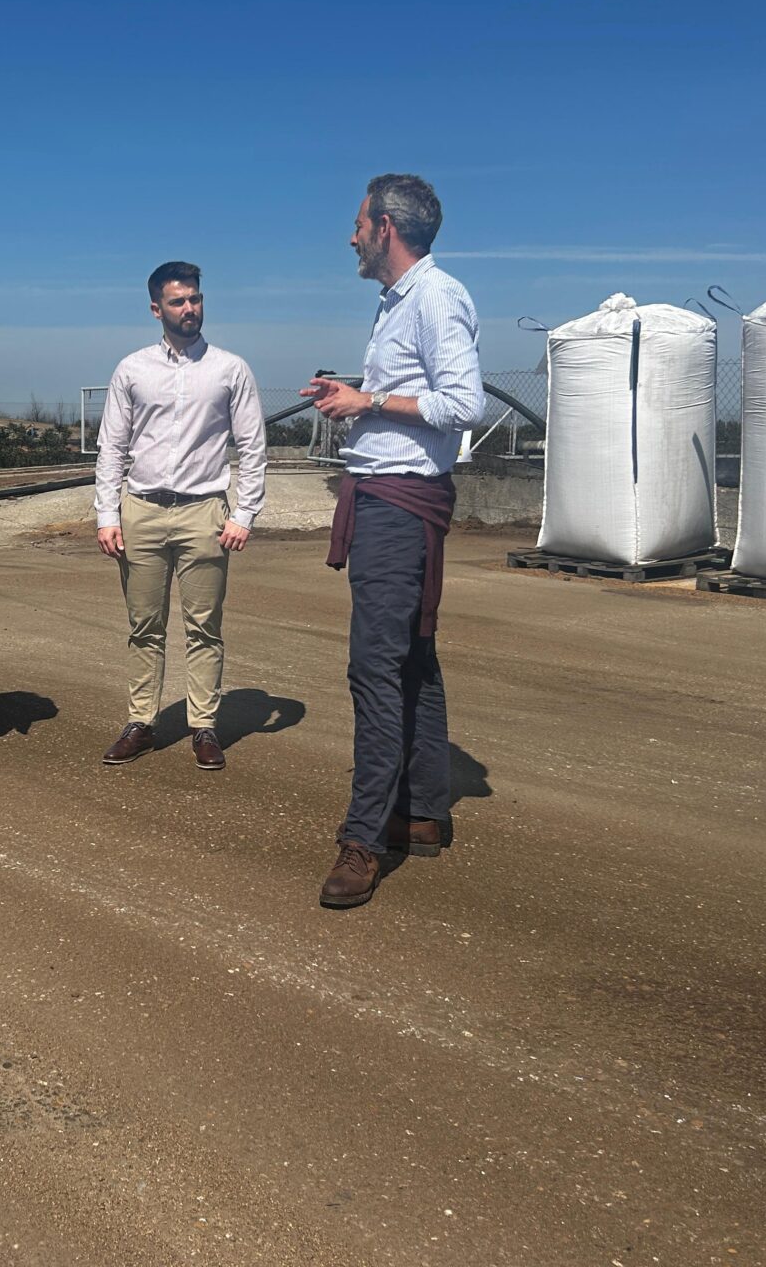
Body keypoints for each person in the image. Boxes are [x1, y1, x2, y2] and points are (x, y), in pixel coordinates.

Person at [304, 174, 483, 909]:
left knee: (373, 668)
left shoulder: (436, 297)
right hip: (392, 498)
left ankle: (363, 839)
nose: (350, 236)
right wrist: (355, 401)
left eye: (357, 224)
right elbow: (419, 399)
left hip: (397, 507)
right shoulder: (402, 302)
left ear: (385, 227)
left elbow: (461, 405)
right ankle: (423, 812)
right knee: (413, 658)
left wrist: (369, 400)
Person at [95, 262, 268, 770]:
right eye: (177, 301)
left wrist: (244, 514)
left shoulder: (230, 369)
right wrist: (107, 513)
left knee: (204, 626)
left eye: (195, 299)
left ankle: (204, 726)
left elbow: (253, 448)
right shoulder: (132, 369)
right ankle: (142, 722)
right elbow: (112, 448)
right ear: (156, 309)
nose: (189, 308)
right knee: (144, 626)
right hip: (142, 511)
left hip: (204, 514)